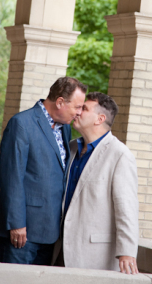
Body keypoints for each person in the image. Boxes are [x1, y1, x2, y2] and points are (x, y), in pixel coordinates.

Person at [0, 77, 87, 265]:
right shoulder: (22, 124)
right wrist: (17, 224)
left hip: (49, 231)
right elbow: (12, 178)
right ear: (60, 102)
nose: (79, 113)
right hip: (22, 231)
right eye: (77, 107)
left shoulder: (65, 129)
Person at [58, 92, 139, 273]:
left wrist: (127, 251)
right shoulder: (70, 148)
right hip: (59, 248)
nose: (78, 112)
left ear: (99, 119)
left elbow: (126, 208)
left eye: (84, 109)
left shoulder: (120, 155)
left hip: (92, 254)